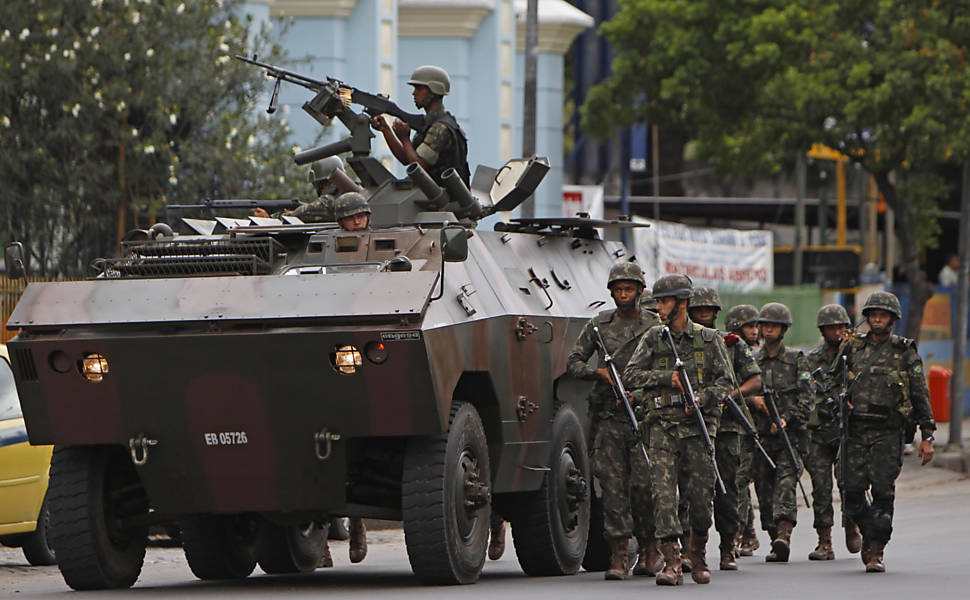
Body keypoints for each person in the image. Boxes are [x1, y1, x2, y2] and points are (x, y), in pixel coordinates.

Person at [623, 274, 733, 586]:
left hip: (697, 429)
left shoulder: (709, 339)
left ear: (682, 303)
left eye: (664, 301)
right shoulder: (654, 338)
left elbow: (725, 383)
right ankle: (671, 562)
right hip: (661, 426)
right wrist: (664, 378)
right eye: (657, 301)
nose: (658, 307)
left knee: (700, 499)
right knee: (662, 495)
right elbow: (630, 375)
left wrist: (702, 399)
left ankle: (696, 556)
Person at [566, 262, 660, 580]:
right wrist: (599, 373)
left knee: (644, 487)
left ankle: (649, 549)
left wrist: (641, 388)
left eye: (629, 289)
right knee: (613, 489)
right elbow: (573, 362)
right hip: (608, 419)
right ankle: (618, 555)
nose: (623, 295)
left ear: (639, 291)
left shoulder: (655, 327)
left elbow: (668, 370)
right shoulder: (599, 326)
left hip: (645, 418)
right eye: (618, 289)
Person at [836, 291, 935, 572]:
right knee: (850, 492)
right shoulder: (852, 349)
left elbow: (920, 395)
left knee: (882, 492)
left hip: (887, 433)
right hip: (855, 431)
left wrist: (927, 436)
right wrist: (842, 399)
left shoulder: (905, 352)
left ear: (892, 319)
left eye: (884, 315)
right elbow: (830, 382)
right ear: (867, 317)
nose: (878, 319)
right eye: (874, 314)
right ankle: (869, 529)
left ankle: (876, 547)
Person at [686, 288, 761, 571]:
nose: (704, 314)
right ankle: (692, 549)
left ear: (716, 312)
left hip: (727, 427)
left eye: (708, 310)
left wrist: (731, 394)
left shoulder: (730, 343)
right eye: (698, 309)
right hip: (691, 424)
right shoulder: (681, 341)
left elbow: (755, 380)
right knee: (693, 490)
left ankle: (728, 546)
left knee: (727, 489)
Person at [750, 302, 813, 563]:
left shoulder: (797, 360)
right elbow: (738, 392)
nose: (769, 330)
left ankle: (784, 536)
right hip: (762, 438)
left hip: (791, 437)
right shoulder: (752, 361)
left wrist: (787, 419)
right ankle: (774, 536)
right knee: (764, 492)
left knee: (786, 484)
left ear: (783, 329)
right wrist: (754, 401)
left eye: (774, 325)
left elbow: (808, 399)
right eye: (765, 325)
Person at [804, 304, 861, 561]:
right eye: (831, 327)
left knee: (848, 482)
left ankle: (851, 524)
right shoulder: (812, 359)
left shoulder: (855, 354)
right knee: (821, 487)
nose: (837, 332)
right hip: (818, 429)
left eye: (841, 327)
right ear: (822, 329)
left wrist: (849, 350)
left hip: (846, 427)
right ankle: (824, 541)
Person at [370, 65, 470, 186]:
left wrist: (405, 139)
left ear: (434, 90)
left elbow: (418, 167)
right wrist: (385, 129)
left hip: (446, 201)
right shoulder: (429, 124)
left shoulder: (440, 128)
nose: (414, 93)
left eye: (419, 88)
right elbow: (407, 158)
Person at [723, 304, 763, 558]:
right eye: (750, 326)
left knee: (742, 481)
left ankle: (746, 531)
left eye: (756, 326)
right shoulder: (728, 349)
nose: (756, 331)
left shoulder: (754, 354)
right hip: (736, 423)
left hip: (757, 426)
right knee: (738, 481)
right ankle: (744, 531)